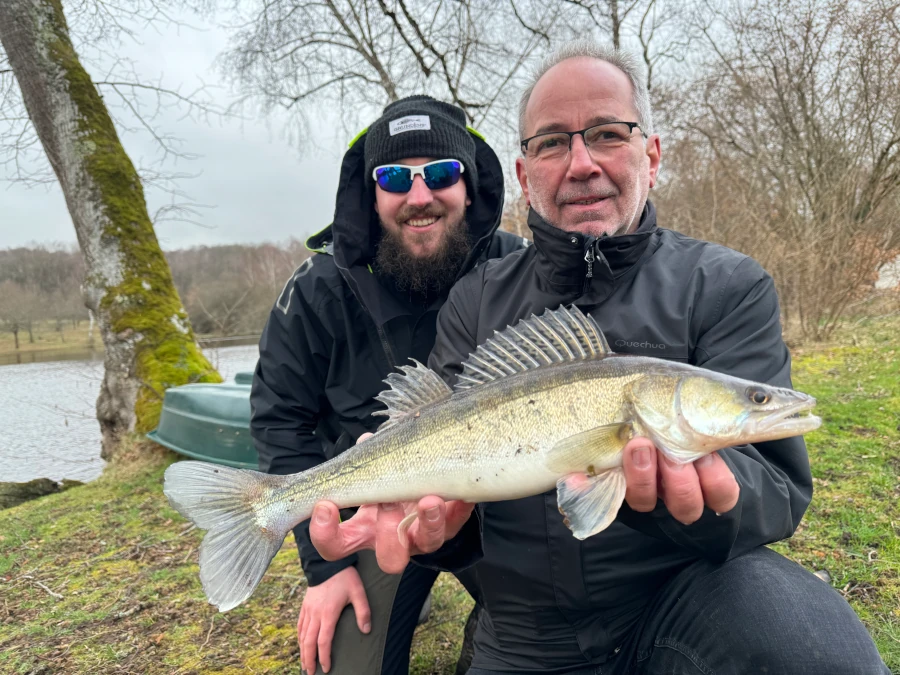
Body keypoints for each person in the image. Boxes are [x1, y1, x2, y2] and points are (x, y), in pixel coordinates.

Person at [308, 43, 890, 674]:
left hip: (681, 606)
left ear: (653, 156)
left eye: (609, 134)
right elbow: (455, 487)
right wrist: (439, 536)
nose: (582, 164)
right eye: (553, 142)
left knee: (817, 648)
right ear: (525, 176)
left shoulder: (726, 285)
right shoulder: (475, 298)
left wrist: (686, 500)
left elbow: (774, 487)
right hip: (523, 634)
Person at [250, 95, 525, 675]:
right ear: (372, 194)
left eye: (442, 174)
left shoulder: (518, 270)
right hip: (374, 516)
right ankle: (400, 593)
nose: (419, 196)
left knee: (552, 626)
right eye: (395, 177)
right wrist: (324, 569)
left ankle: (498, 617)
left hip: (498, 509)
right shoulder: (315, 290)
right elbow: (280, 420)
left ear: (469, 186)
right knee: (342, 665)